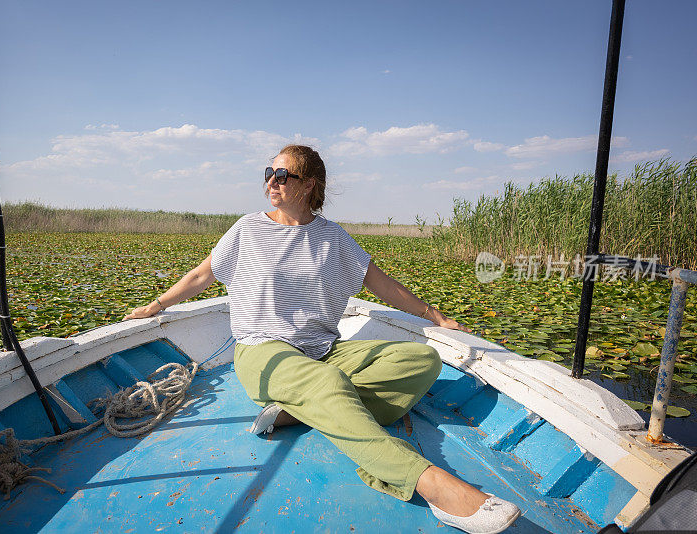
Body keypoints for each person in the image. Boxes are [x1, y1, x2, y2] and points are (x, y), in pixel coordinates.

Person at [124, 145, 520, 533]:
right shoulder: (248, 228)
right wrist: (156, 305)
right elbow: (202, 275)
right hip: (263, 351)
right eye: (269, 174)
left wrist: (435, 316)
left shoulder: (334, 239)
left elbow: (383, 286)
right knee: (329, 383)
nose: (272, 182)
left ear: (310, 184)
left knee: (421, 361)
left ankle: (302, 410)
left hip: (322, 351)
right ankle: (429, 483)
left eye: (283, 175)